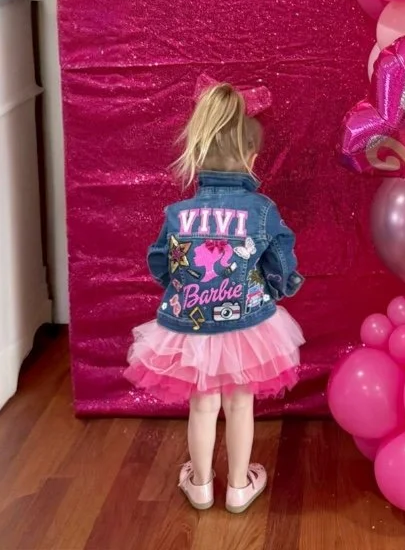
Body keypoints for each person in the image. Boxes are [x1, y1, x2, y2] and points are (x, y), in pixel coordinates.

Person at [125, 79, 304, 514]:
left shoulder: (177, 213)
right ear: (252, 159)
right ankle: (239, 486)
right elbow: (280, 263)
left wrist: (183, 289)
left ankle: (201, 484)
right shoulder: (261, 210)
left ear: (199, 153)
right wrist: (280, 290)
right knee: (240, 403)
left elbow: (158, 262)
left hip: (192, 323)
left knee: (202, 405)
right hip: (246, 322)